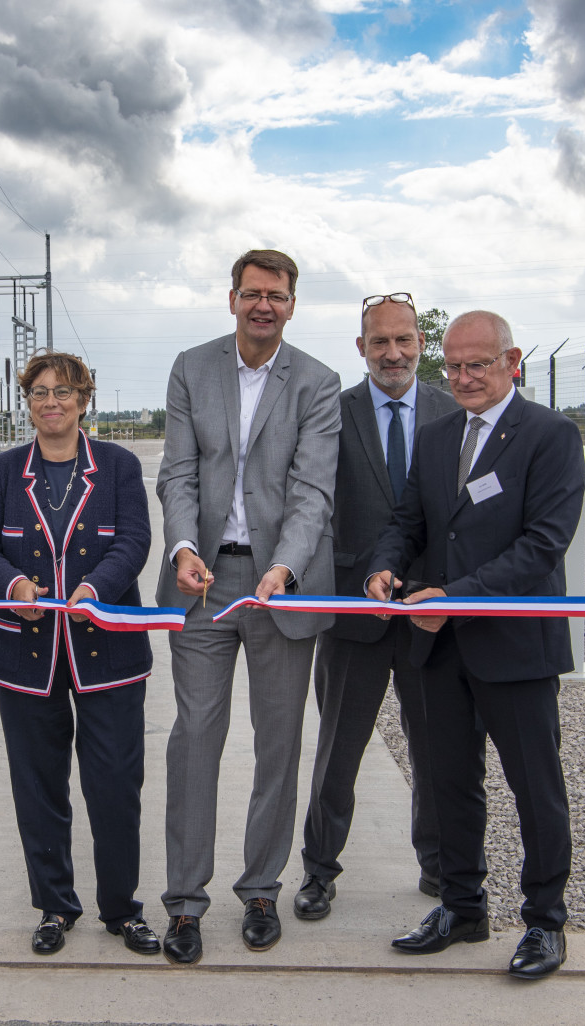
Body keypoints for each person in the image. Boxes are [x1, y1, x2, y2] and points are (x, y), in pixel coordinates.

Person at [368, 310, 583, 981]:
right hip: (438, 648)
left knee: (535, 789)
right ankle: (462, 908)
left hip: (512, 647)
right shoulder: (435, 438)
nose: (461, 377)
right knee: (449, 786)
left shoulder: (549, 435)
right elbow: (408, 521)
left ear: (510, 360)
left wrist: (453, 598)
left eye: (477, 365)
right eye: (453, 366)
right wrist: (384, 564)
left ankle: (545, 922)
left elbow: (543, 544)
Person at [155, 249, 340, 964]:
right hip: (203, 583)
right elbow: (176, 470)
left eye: (278, 296)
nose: (265, 305)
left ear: (292, 306)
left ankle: (261, 888)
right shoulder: (191, 368)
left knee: (277, 742)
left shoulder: (317, 383)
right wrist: (179, 547)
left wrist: (286, 565)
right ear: (232, 298)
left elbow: (312, 490)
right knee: (195, 737)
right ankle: (184, 903)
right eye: (253, 293)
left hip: (279, 588)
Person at [0, 352, 159, 958]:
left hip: (109, 655)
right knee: (38, 784)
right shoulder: (2, 472)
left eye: (63, 391)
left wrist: (96, 590)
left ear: (84, 399)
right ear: (27, 402)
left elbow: (133, 540)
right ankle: (53, 905)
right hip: (26, 656)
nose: (51, 402)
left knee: (115, 784)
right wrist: (12, 587)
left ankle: (121, 907)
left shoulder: (120, 467)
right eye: (39, 393)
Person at [293, 293, 461, 921]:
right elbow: (310, 502)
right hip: (352, 617)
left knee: (437, 750)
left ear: (421, 344)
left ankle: (441, 868)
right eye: (379, 342)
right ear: (360, 348)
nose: (393, 353)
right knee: (338, 752)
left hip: (432, 618)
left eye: (405, 340)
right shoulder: (332, 415)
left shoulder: (451, 411)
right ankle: (318, 872)